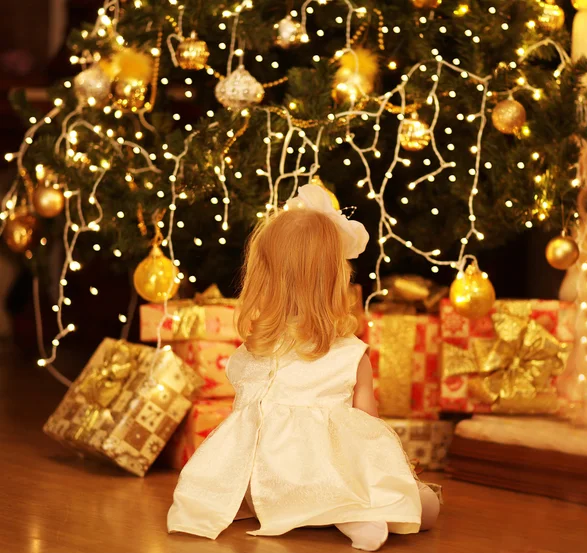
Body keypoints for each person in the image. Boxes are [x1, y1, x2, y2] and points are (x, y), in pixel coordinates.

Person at [167, 184, 440, 551]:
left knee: (250, 482)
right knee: (420, 503)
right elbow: (369, 428)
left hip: (262, 477)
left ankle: (301, 507)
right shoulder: (350, 353)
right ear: (334, 280)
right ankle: (354, 513)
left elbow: (244, 422)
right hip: (320, 476)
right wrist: (397, 473)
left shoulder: (255, 350)